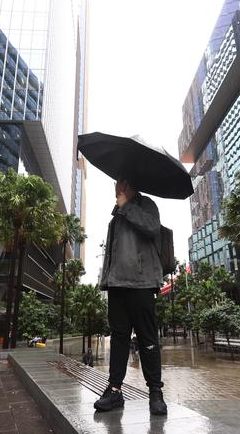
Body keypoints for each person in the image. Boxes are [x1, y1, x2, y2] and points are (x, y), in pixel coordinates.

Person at [93, 178, 168, 416]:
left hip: (142, 283)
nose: (116, 186)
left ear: (130, 185)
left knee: (147, 339)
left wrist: (126, 206)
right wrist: (106, 281)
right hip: (117, 285)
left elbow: (152, 227)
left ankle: (155, 392)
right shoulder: (116, 215)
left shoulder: (146, 205)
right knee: (119, 338)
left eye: (121, 182)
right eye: (116, 182)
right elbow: (112, 253)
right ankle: (114, 390)